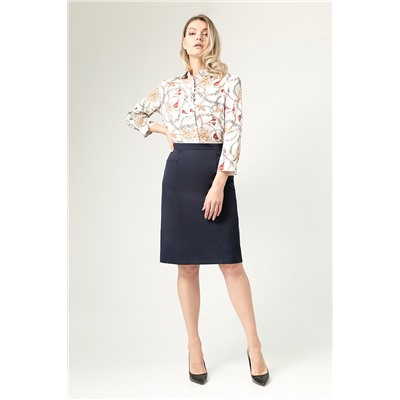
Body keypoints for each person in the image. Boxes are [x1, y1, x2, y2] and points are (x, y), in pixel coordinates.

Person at [126, 14, 269, 386]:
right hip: (179, 176)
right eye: (192, 33)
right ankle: (194, 346)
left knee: (231, 265)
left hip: (214, 173)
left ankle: (254, 346)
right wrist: (163, 129)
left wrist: (220, 183)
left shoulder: (228, 82)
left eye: (205, 33)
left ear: (212, 41)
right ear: (183, 41)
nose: (198, 38)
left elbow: (234, 133)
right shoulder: (169, 87)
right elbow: (135, 115)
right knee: (187, 267)